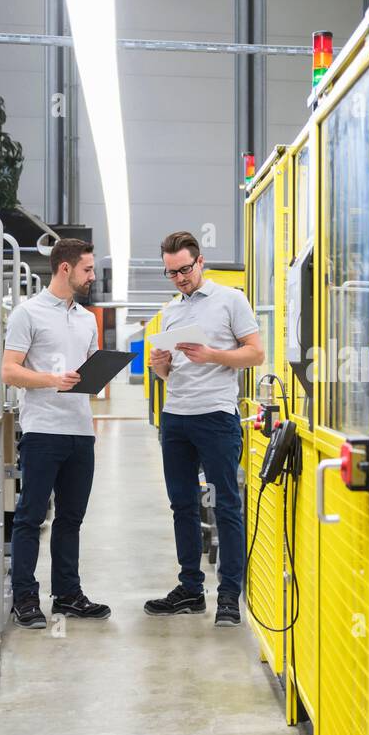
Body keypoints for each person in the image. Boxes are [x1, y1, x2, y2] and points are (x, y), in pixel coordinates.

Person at [145, 230, 264, 627]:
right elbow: (166, 374)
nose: (179, 278)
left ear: (199, 262)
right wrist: (159, 363)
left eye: (183, 269)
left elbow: (255, 352)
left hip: (216, 416)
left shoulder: (231, 300)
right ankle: (191, 590)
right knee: (182, 505)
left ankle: (229, 595)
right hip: (176, 417)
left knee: (226, 504)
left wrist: (212, 354)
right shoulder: (172, 310)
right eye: (171, 273)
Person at [1, 237, 111, 628]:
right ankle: (26, 598)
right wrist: (52, 380)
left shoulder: (85, 318)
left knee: (71, 518)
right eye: (87, 269)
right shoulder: (26, 314)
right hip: (43, 430)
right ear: (65, 268)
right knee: (30, 516)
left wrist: (97, 376)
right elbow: (9, 371)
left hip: (81, 431)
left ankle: (67, 595)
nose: (92, 276)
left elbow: (88, 371)